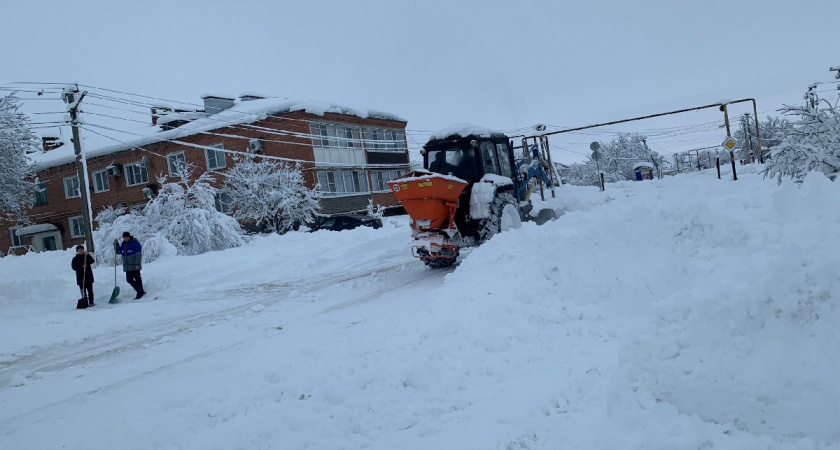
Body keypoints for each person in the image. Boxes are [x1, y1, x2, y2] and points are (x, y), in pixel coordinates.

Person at [114, 232, 145, 299]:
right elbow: (118, 252)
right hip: (127, 266)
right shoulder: (123, 244)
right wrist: (116, 244)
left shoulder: (135, 243)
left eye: (126, 237)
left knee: (137, 278)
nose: (125, 238)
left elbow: (138, 254)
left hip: (134, 265)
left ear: (129, 236)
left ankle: (140, 291)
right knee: (129, 279)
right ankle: (140, 291)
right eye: (124, 237)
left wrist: (137, 264)